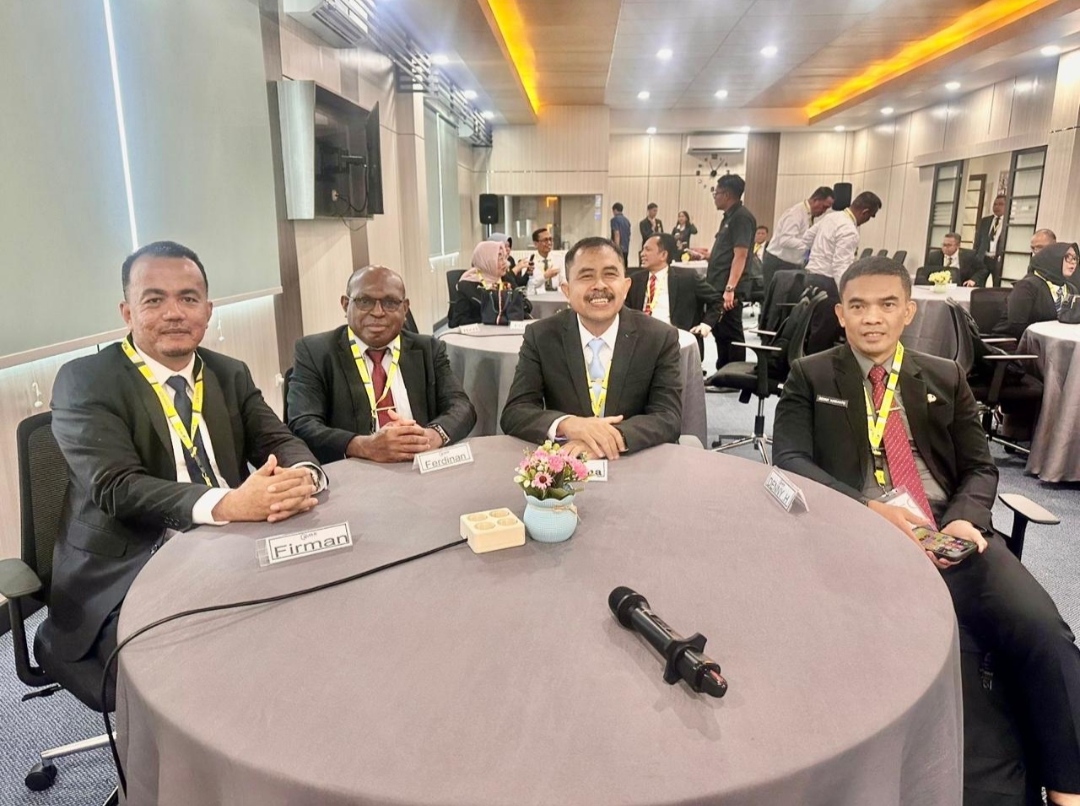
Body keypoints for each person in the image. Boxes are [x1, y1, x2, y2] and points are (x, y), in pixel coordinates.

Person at [772, 255, 1080, 806]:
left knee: (1043, 630)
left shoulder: (945, 375)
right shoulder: (810, 375)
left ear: (908, 312)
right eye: (858, 306)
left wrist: (965, 517)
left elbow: (980, 467)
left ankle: (1066, 787)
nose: (872, 318)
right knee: (922, 650)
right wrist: (870, 511)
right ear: (841, 314)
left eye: (887, 304)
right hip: (859, 538)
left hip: (949, 533)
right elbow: (791, 461)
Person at [39, 241, 325, 703]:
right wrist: (229, 504)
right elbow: (116, 487)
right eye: (154, 299)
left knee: (321, 611)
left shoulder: (228, 373)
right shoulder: (86, 380)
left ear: (208, 311)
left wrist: (303, 477)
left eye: (188, 298)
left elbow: (279, 441)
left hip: (233, 545)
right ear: (127, 312)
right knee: (208, 672)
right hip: (130, 567)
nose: (174, 313)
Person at [500, 236, 682, 460]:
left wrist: (608, 439)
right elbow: (516, 412)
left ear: (626, 286)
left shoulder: (659, 337)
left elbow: (668, 416)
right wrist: (569, 424)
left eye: (610, 274)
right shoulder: (541, 336)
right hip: (567, 462)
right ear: (566, 290)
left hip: (634, 460)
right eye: (586, 276)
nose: (600, 285)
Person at [288, 265, 477, 464]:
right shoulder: (315, 352)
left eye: (390, 303)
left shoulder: (428, 349)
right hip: (355, 470)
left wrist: (432, 436)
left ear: (405, 308)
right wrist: (363, 446)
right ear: (345, 305)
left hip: (419, 466)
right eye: (364, 301)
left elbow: (461, 406)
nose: (378, 312)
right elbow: (303, 423)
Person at [802, 190, 882, 353]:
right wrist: (848, 294)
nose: (867, 220)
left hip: (810, 278)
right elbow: (840, 267)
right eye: (870, 216)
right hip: (828, 284)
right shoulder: (849, 230)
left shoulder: (831, 217)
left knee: (809, 330)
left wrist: (819, 254)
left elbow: (807, 238)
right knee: (823, 336)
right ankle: (817, 367)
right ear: (865, 212)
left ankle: (804, 363)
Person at [690, 174, 756, 369]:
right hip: (718, 283)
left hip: (729, 286)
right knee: (721, 331)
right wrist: (706, 256)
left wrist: (730, 288)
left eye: (716, 193)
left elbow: (741, 255)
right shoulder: (729, 217)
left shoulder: (741, 217)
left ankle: (733, 375)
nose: (715, 197)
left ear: (727, 195)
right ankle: (723, 372)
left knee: (731, 332)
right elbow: (728, 252)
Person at [627, 233, 722, 338]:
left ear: (663, 255)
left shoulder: (687, 278)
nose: (642, 254)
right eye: (643, 250)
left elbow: (717, 300)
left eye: (648, 250)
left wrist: (706, 324)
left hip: (675, 337)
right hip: (641, 337)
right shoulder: (635, 280)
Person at [993, 242, 1078, 339]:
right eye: (1067, 257)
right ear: (1053, 258)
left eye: (1075, 258)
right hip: (1014, 341)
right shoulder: (1027, 286)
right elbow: (1016, 325)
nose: (1073, 262)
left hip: (1054, 341)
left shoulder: (1072, 289)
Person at [763, 186, 834, 287]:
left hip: (792, 264)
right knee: (776, 297)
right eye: (824, 207)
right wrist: (810, 245)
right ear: (816, 200)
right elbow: (785, 240)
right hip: (779, 263)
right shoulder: (796, 213)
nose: (824, 211)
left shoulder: (808, 215)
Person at [448, 241, 530, 327]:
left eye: (505, 258)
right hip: (482, 333)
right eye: (500, 259)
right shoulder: (467, 286)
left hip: (509, 330)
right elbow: (457, 321)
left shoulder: (505, 278)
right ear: (486, 261)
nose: (505, 263)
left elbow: (525, 304)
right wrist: (491, 319)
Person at [973, 194, 1008, 287]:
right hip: (983, 258)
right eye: (995, 204)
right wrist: (975, 256)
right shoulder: (985, 221)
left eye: (1001, 204)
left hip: (998, 260)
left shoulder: (1008, 222)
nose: (997, 207)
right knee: (978, 284)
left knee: (997, 286)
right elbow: (978, 240)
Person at [526, 227, 566, 293]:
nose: (549, 243)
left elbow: (563, 281)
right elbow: (528, 286)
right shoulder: (529, 261)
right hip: (537, 297)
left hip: (556, 296)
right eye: (545, 240)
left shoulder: (558, 259)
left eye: (550, 239)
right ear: (536, 244)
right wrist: (544, 276)